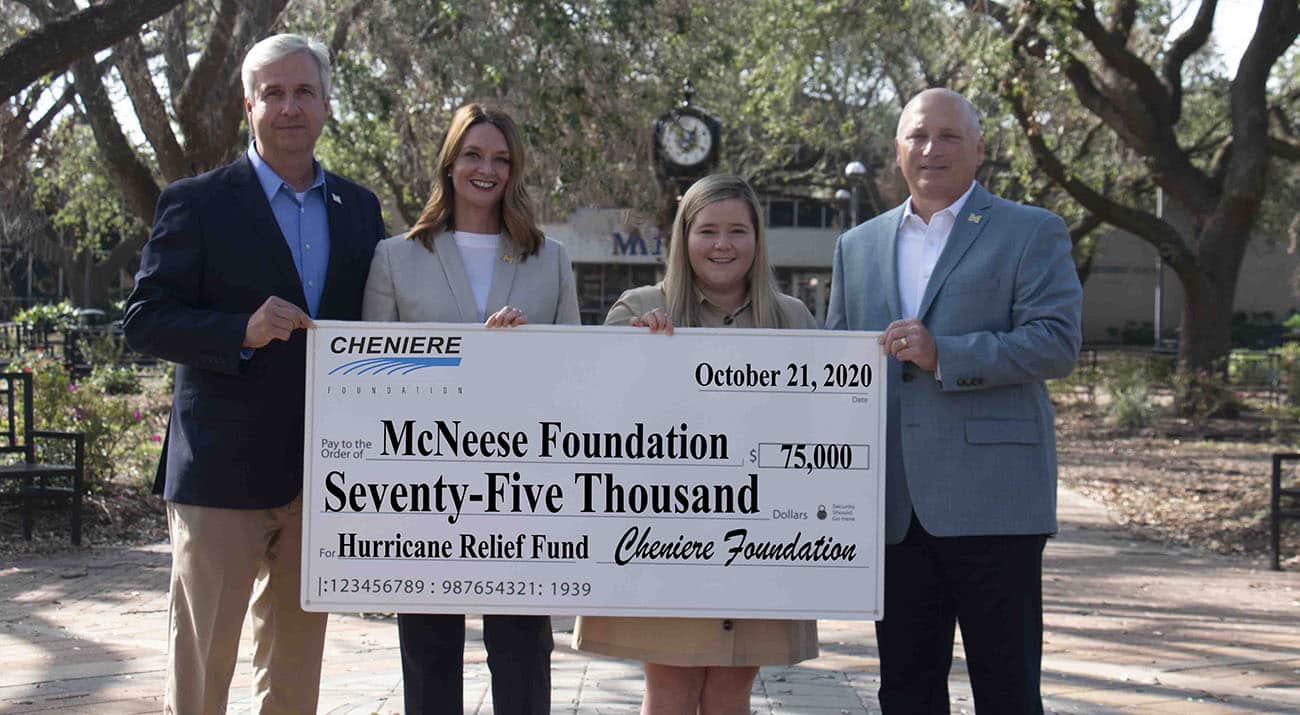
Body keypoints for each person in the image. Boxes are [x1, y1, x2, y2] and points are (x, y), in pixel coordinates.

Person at [122, 34, 385, 713]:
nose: (289, 106)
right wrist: (240, 327)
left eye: (303, 92)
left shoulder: (358, 209)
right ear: (249, 105)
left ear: (327, 105)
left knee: (296, 667)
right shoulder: (196, 201)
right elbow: (145, 319)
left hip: (321, 474)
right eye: (274, 92)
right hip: (219, 475)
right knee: (204, 663)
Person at [826, 88, 1083, 713]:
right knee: (906, 689)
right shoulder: (856, 246)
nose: (931, 150)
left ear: (979, 150)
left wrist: (947, 354)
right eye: (917, 136)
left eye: (948, 137)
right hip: (895, 507)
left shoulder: (1032, 231)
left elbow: (1056, 343)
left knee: (1007, 687)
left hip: (996, 502)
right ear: (897, 149)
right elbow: (836, 365)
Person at [573, 174, 819, 715]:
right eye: (707, 230)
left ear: (758, 239)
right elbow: (599, 425)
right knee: (672, 690)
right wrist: (640, 359)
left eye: (737, 230)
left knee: (731, 692)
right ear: (684, 239)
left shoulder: (792, 319)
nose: (723, 244)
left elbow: (814, 430)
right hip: (665, 539)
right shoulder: (638, 309)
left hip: (760, 539)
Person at [362, 102, 578, 714]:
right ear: (450, 162)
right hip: (425, 490)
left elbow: (574, 379)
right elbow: (373, 380)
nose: (487, 169)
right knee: (428, 654)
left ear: (515, 170)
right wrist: (464, 359)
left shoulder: (550, 257)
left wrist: (517, 362)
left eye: (501, 159)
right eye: (475, 154)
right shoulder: (394, 257)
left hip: (524, 489)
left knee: (524, 652)